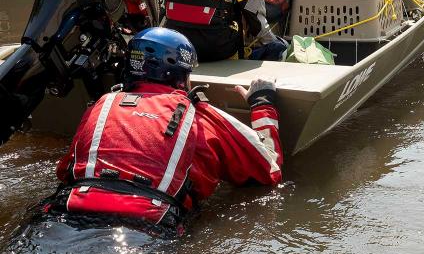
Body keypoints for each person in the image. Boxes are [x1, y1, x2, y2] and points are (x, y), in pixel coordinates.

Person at [43, 27, 283, 236]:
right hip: (149, 226)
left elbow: (65, 171)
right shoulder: (200, 116)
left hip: (65, 214)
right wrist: (263, 102)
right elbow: (269, 170)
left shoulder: (102, 105)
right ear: (181, 76)